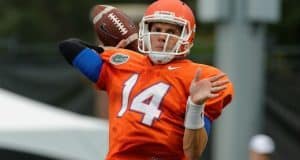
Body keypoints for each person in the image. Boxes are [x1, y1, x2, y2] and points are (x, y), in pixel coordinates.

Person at [58, 0, 234, 159]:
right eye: (157, 30)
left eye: (171, 31)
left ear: (187, 37)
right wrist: (107, 50)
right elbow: (69, 47)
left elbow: (193, 152)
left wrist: (195, 106)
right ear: (145, 30)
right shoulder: (124, 62)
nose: (162, 36)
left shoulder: (201, 77)